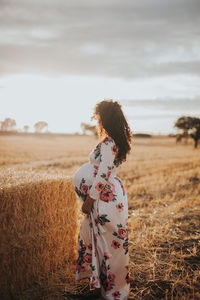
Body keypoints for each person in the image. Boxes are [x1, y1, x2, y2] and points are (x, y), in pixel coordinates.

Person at [73, 100, 132, 300]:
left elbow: (103, 174)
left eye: (98, 116)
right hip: (108, 198)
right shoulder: (114, 140)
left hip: (104, 199)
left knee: (106, 245)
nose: (96, 120)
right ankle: (101, 289)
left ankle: (111, 291)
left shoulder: (109, 143)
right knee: (103, 244)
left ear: (104, 118)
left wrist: (89, 200)